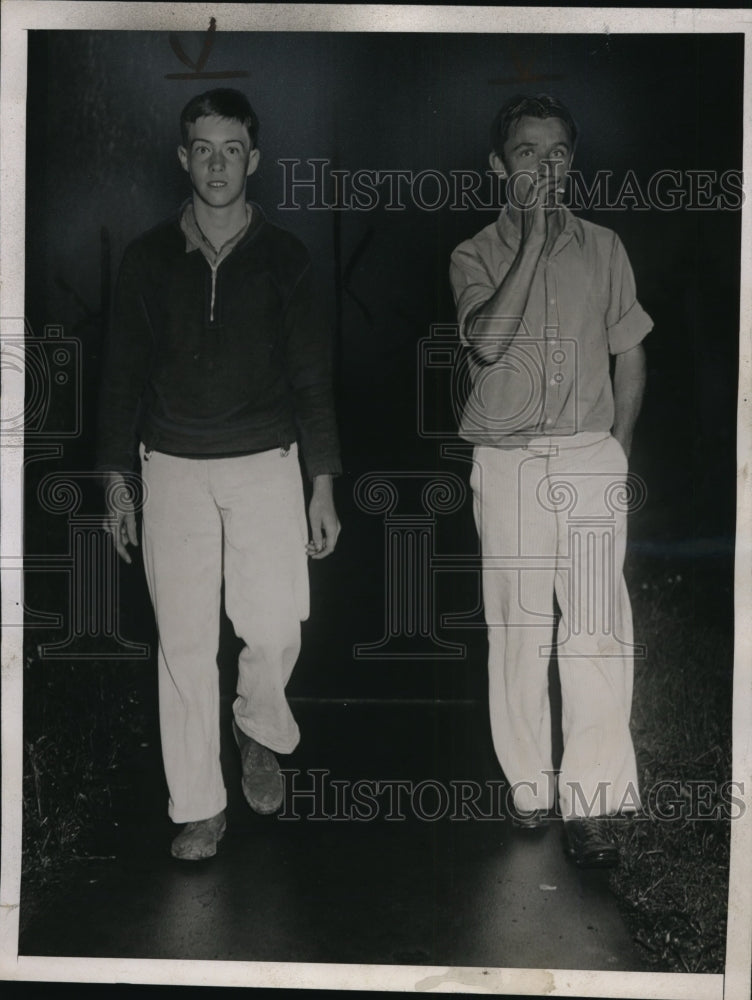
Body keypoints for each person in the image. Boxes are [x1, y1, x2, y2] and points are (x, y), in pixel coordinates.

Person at [98, 88, 341, 861]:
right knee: (183, 641)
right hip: (169, 465)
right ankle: (199, 805)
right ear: (182, 157)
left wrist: (322, 483)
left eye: (231, 149)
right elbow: (118, 378)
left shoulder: (287, 257)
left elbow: (312, 378)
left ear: (254, 160)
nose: (216, 163)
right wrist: (115, 480)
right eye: (202, 148)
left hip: (266, 461)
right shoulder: (145, 257)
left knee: (273, 626)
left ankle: (257, 725)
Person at [449, 94, 651, 867]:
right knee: (519, 630)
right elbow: (490, 343)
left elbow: (630, 347)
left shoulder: (606, 246)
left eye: (558, 152)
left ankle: (596, 794)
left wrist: (616, 448)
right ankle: (530, 787)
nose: (545, 166)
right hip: (509, 462)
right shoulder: (472, 253)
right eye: (527, 152)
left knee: (598, 627)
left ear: (574, 162)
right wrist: (532, 238)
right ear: (499, 166)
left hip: (590, 455)